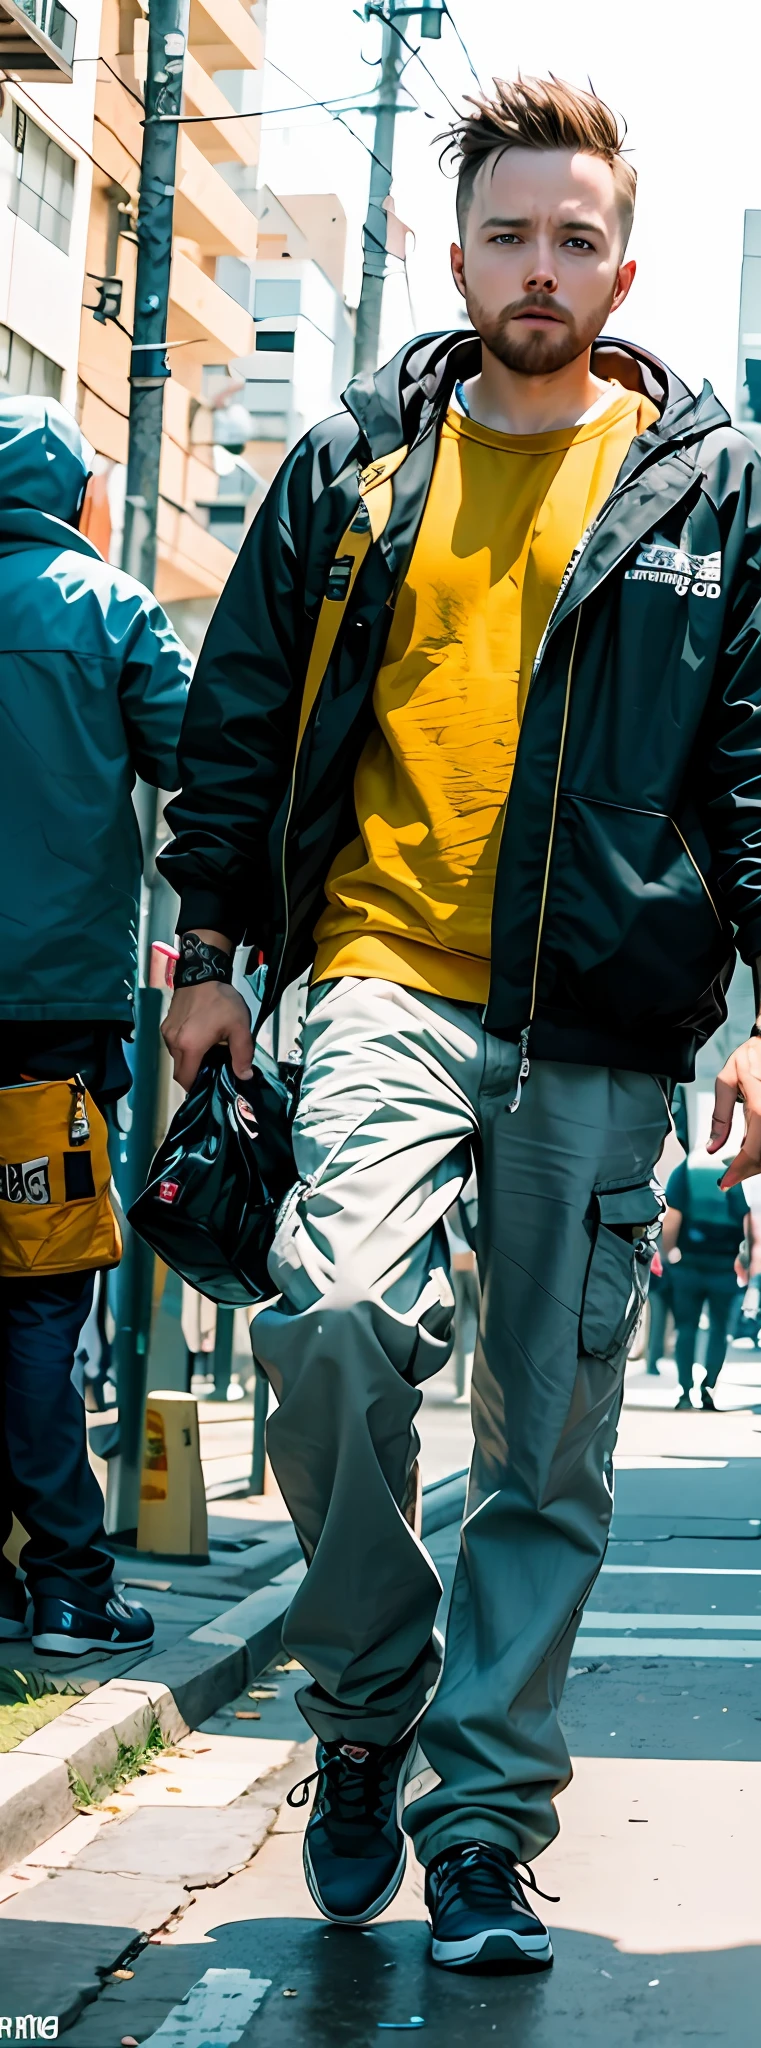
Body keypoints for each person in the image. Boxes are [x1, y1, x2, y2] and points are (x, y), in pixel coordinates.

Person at [156, 75, 761, 1973]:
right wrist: (208, 947)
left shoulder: (706, 492)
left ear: (621, 265)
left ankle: (480, 1819)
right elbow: (232, 725)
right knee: (326, 1317)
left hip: (606, 1025)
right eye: (506, 235)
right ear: (449, 254)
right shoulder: (350, 468)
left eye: (573, 240)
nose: (537, 269)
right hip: (377, 976)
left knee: (545, 1444)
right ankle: (369, 1698)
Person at [0, 396, 191, 1658]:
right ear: (77, 497)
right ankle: (69, 1580)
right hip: (50, 1020)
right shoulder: (109, 607)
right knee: (37, 1295)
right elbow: (202, 758)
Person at [661, 1149, 750, 1409]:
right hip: (724, 1266)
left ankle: (684, 1392)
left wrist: (669, 1254)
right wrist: (747, 1260)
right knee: (719, 1329)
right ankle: (709, 1386)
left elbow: (672, 1217)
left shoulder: (686, 1170)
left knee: (685, 1327)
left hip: (689, 1265)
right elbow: (747, 1219)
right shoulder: (736, 1172)